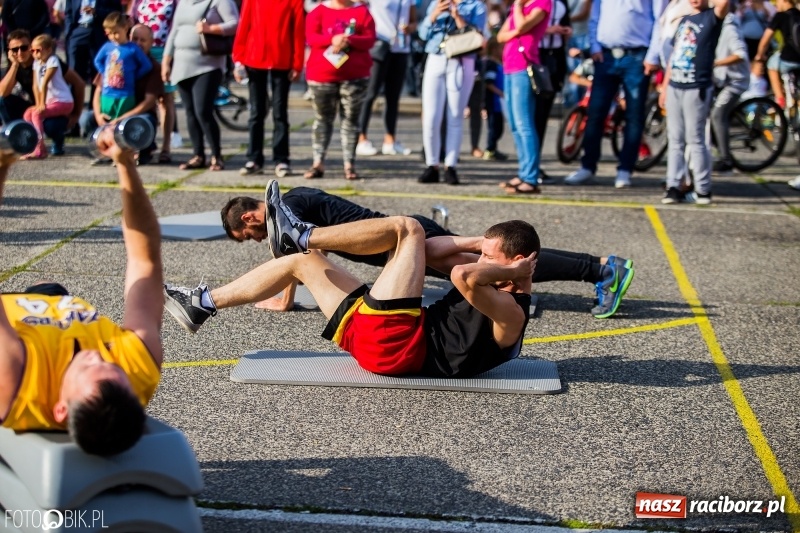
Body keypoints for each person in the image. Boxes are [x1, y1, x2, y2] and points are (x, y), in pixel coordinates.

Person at [165, 181, 539, 378]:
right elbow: (435, 251)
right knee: (303, 263)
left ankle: (303, 234)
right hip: (382, 340)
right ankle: (202, 303)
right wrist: (481, 243)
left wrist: (512, 273)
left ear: (519, 264)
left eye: (490, 257)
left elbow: (462, 274)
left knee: (407, 228)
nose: (480, 259)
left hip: (398, 345)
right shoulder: (495, 279)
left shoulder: (511, 311)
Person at [219, 187, 635, 318]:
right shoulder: (290, 209)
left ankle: (600, 270)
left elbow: (287, 254)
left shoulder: (288, 206)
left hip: (410, 239)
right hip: (408, 241)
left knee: (501, 263)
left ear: (250, 221)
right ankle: (599, 268)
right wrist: (285, 298)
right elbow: (291, 256)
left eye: (248, 237)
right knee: (497, 264)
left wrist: (284, 300)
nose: (256, 241)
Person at [0, 128, 164, 456]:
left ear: (60, 409)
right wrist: (125, 164)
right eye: (113, 368)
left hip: (13, 319)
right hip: (48, 302)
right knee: (51, 290)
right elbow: (144, 259)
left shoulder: (15, 379)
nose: (97, 356)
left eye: (89, 368)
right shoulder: (137, 367)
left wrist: (3, 165)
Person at [563, 0, 667, 188]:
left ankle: (625, 170)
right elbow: (594, 18)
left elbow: (660, 20)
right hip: (606, 55)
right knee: (595, 113)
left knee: (633, 115)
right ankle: (587, 166)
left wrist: (652, 56)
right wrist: (594, 47)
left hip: (637, 56)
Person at [660, 0, 729, 205]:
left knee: (695, 139)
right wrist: (665, 87)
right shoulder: (684, 20)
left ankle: (702, 189)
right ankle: (673, 185)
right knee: (675, 139)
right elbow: (675, 55)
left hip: (696, 86)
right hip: (675, 85)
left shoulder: (712, 18)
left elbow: (724, 3)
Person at [303, 0, 376, 181]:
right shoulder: (318, 12)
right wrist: (332, 39)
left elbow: (370, 39)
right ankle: (318, 163)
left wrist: (348, 40)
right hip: (321, 76)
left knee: (350, 121)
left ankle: (349, 165)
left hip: (355, 77)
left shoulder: (362, 12)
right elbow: (311, 37)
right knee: (322, 120)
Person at [163, 0, 239, 171]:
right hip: (181, 65)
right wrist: (166, 61)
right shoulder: (183, 2)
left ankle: (216, 156)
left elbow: (235, 24)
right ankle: (198, 155)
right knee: (190, 112)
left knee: (203, 111)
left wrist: (211, 29)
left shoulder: (221, 1)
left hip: (208, 65)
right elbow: (174, 31)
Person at [416, 0, 486, 185]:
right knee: (431, 115)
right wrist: (434, 14)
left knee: (455, 114)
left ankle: (451, 165)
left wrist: (458, 17)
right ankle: (431, 164)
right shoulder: (437, 3)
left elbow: (478, 36)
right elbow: (423, 34)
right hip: (436, 56)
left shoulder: (475, 6)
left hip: (461, 59)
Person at [232, 0, 304, 178]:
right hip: (255, 59)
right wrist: (238, 58)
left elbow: (298, 31)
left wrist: (297, 63)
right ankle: (254, 158)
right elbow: (244, 25)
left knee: (280, 113)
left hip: (282, 60)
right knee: (256, 112)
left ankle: (281, 159)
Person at [85, 23, 165, 165]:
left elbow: (149, 102)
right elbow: (98, 91)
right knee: (86, 118)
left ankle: (144, 150)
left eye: (143, 40)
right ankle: (104, 151)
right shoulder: (115, 60)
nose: (138, 43)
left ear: (151, 43)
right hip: (111, 109)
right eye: (135, 39)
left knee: (143, 121)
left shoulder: (153, 68)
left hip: (136, 113)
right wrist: (98, 116)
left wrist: (122, 118)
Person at [0, 29, 85, 156]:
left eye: (24, 48)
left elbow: (79, 84)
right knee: (3, 102)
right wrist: (14, 65)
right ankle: (17, 139)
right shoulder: (15, 65)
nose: (20, 52)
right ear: (9, 51)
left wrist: (76, 115)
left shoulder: (48, 61)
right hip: (36, 107)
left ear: (31, 46)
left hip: (54, 106)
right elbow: (2, 92)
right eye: (15, 50)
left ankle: (56, 142)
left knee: (52, 126)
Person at [496, 0, 551, 195]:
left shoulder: (542, 3)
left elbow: (522, 26)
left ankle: (531, 177)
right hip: (510, 68)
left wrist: (518, 7)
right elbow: (501, 36)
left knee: (524, 123)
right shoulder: (519, 6)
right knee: (515, 125)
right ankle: (524, 171)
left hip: (524, 68)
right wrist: (516, 31)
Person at [355, 0, 417, 158]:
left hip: (401, 47)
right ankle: (361, 138)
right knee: (370, 93)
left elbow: (413, 20)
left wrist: (410, 28)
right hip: (380, 45)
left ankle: (390, 139)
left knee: (393, 96)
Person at [127, 0, 179, 164]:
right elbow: (131, 19)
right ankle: (139, 144)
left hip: (164, 52)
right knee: (140, 97)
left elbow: (176, 25)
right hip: (139, 51)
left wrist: (170, 56)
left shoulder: (173, 2)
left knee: (165, 100)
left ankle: (166, 147)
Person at [93, 12, 152, 125]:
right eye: (109, 34)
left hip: (126, 94)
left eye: (116, 33)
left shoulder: (133, 49)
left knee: (123, 124)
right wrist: (105, 72)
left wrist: (134, 76)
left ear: (125, 28)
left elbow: (146, 65)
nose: (113, 37)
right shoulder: (107, 47)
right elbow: (97, 61)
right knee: (107, 121)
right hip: (107, 94)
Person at [21, 34, 74, 160]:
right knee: (28, 113)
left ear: (49, 49)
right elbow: (36, 86)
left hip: (63, 101)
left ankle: (40, 149)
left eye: (38, 50)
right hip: (51, 101)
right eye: (32, 51)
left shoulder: (53, 61)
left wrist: (42, 105)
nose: (34, 53)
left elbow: (44, 82)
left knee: (36, 114)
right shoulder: (37, 63)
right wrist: (38, 104)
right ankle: (33, 145)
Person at [536, 0, 572, 184]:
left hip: (554, 59)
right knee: (531, 117)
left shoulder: (561, 3)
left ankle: (535, 164)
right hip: (535, 57)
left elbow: (567, 23)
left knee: (542, 116)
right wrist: (547, 30)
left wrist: (566, 31)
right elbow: (520, 27)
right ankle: (529, 165)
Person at [711, 12, 749, 174]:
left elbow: (740, 54)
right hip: (721, 80)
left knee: (717, 115)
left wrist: (716, 63)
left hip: (735, 82)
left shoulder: (730, 29)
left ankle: (726, 159)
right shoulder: (717, 27)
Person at [754, 0, 800, 110]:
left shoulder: (781, 16)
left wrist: (759, 56)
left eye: (777, 1)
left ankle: (780, 99)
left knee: (771, 64)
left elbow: (765, 40)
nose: (775, 5)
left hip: (788, 58)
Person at [64, 0, 122, 85]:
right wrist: (69, 32)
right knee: (74, 69)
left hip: (99, 32)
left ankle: (94, 97)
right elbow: (68, 11)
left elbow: (116, 12)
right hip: (78, 30)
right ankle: (73, 97)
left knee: (97, 69)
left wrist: (96, 11)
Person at [482, 36, 507, 161]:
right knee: (494, 127)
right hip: (493, 102)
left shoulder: (500, 64)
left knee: (499, 127)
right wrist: (500, 93)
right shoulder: (491, 64)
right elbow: (488, 82)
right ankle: (490, 149)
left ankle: (493, 148)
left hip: (500, 103)